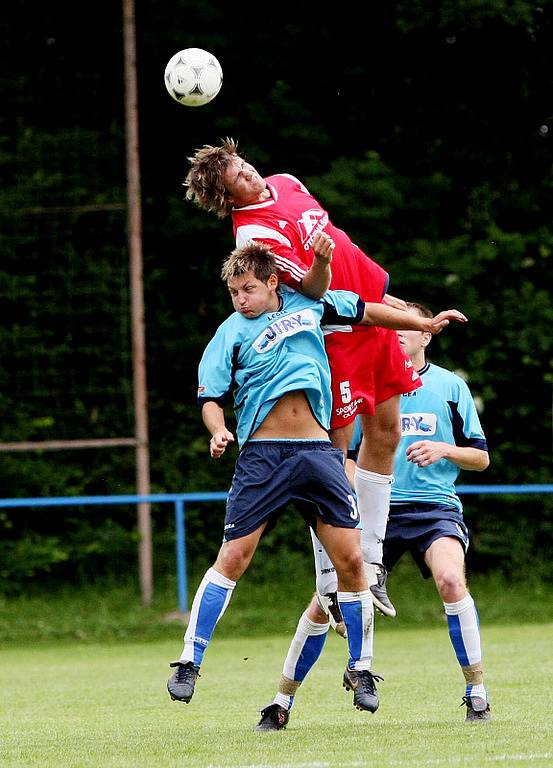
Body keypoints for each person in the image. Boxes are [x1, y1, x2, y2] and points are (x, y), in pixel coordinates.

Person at [166, 235, 467, 725]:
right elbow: (210, 396)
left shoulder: (311, 305)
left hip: (318, 453)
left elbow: (368, 311)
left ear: (271, 282)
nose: (240, 299)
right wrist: (219, 430)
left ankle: (362, 668)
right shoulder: (230, 332)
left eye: (247, 289)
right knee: (233, 556)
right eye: (234, 292)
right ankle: (189, 660)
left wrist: (421, 322)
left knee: (353, 561)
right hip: (262, 456)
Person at [184, 138, 420, 619]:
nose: (252, 175)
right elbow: (313, 287)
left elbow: (333, 237)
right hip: (335, 329)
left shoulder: (287, 181)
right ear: (229, 198)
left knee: (389, 432)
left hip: (367, 304)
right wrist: (332, 270)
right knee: (329, 458)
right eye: (239, 179)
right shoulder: (253, 240)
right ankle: (332, 580)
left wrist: (379, 294)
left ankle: (372, 562)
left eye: (246, 165)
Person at [251, 300, 475, 731]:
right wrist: (347, 494)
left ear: (425, 335)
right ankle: (281, 703)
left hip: (432, 509)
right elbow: (346, 454)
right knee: (324, 603)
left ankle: (476, 692)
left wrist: (445, 450)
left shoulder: (449, 387)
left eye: (407, 327)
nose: (397, 332)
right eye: (392, 326)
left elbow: (481, 457)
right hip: (375, 513)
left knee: (451, 579)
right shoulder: (366, 384)